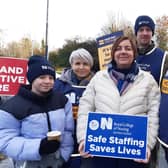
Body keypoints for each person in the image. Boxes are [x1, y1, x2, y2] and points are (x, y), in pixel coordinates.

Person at [77, 36, 160, 168]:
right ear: (113, 53)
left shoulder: (148, 80)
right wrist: (83, 137)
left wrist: (148, 144)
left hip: (134, 153)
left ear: (134, 54)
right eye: (118, 49)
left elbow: (154, 115)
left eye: (128, 48)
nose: (123, 52)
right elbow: (85, 108)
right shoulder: (99, 78)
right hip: (102, 150)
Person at [0, 55, 74, 168]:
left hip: (58, 162)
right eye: (42, 77)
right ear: (32, 78)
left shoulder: (62, 101)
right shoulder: (12, 106)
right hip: (28, 164)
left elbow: (68, 131)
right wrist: (38, 147)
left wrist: (64, 155)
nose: (47, 81)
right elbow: (6, 141)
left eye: (51, 78)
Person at [134, 15, 168, 167]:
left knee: (148, 162)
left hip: (150, 122)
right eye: (141, 29)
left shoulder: (163, 57)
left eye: (148, 30)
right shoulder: (125, 52)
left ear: (152, 33)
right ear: (136, 33)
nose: (145, 33)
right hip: (126, 118)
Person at [54, 48, 94, 168]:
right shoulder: (59, 84)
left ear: (90, 66)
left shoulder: (98, 83)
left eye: (85, 64)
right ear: (71, 64)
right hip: (65, 135)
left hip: (88, 134)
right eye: (77, 63)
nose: (81, 67)